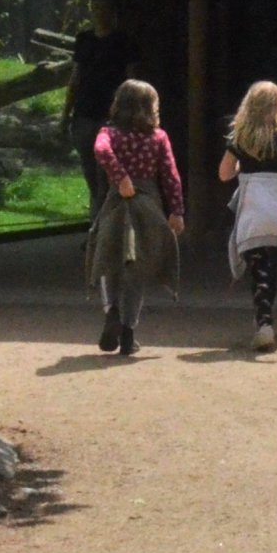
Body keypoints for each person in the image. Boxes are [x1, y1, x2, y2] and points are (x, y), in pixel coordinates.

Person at [84, 78, 182, 357]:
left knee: (107, 257)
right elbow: (171, 175)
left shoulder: (109, 133)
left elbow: (101, 150)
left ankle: (111, 310)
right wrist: (177, 210)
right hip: (148, 204)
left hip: (117, 202)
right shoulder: (159, 137)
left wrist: (120, 177)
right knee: (136, 267)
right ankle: (128, 333)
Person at [217, 79, 277, 353]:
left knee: (259, 269)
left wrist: (243, 170)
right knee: (272, 265)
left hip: (254, 208)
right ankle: (267, 320)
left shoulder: (240, 137)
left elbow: (224, 173)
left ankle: (264, 324)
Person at [66, 0, 139, 211]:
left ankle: (101, 228)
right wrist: (65, 114)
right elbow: (75, 78)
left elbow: (131, 79)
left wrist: (129, 114)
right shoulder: (84, 40)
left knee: (106, 175)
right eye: (95, 7)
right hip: (84, 112)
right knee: (90, 173)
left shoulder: (122, 41)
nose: (99, 12)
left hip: (110, 117)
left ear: (113, 11)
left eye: (104, 7)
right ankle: (97, 226)